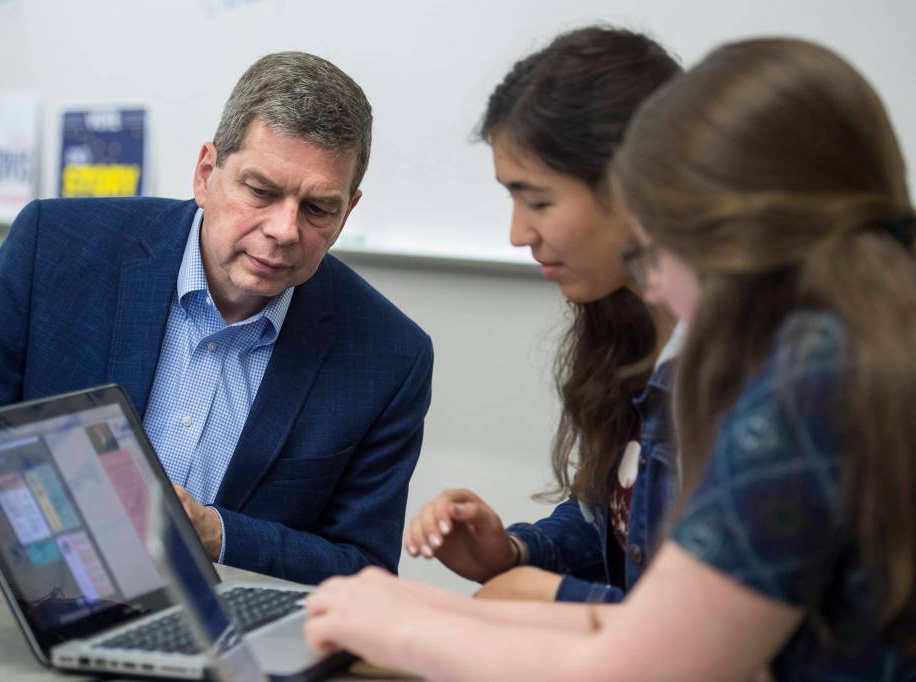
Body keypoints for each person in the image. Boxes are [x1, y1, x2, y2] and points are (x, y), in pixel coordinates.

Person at [304, 38, 916, 679]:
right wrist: (453, 603)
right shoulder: (851, 344)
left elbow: (649, 664)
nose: (650, 283)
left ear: (739, 235)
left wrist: (399, 623)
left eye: (657, 244)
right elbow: (668, 624)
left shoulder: (808, 381)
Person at [0, 52, 433, 585]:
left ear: (348, 213)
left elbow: (363, 570)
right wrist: (44, 571)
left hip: (232, 641)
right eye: (261, 192)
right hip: (29, 613)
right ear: (206, 174)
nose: (284, 230)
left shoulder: (388, 355)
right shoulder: (53, 249)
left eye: (318, 209)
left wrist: (218, 535)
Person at [405, 26, 682, 604]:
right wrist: (514, 554)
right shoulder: (624, 326)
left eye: (539, 202)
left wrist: (544, 597)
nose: (517, 233)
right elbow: (609, 515)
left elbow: (699, 634)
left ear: (634, 186)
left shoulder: (744, 369)